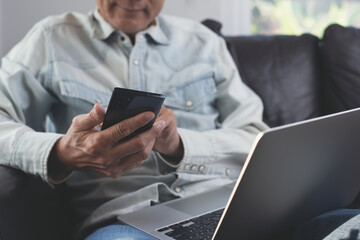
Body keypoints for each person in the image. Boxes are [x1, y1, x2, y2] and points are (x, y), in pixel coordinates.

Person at [0, 0, 267, 239]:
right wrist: (60, 152)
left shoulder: (204, 41)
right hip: (123, 220)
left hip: (225, 205)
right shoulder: (51, 38)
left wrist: (179, 145)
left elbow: (256, 137)